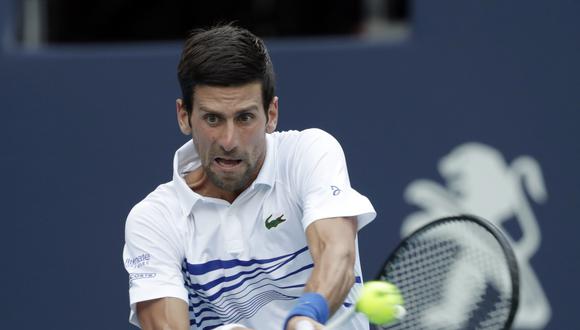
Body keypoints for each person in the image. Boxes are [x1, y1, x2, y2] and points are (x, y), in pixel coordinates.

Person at [123, 24, 376, 330]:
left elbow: (338, 253)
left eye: (244, 118)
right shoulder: (154, 219)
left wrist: (306, 316)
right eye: (212, 118)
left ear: (271, 114)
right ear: (184, 116)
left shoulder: (308, 153)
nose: (229, 140)